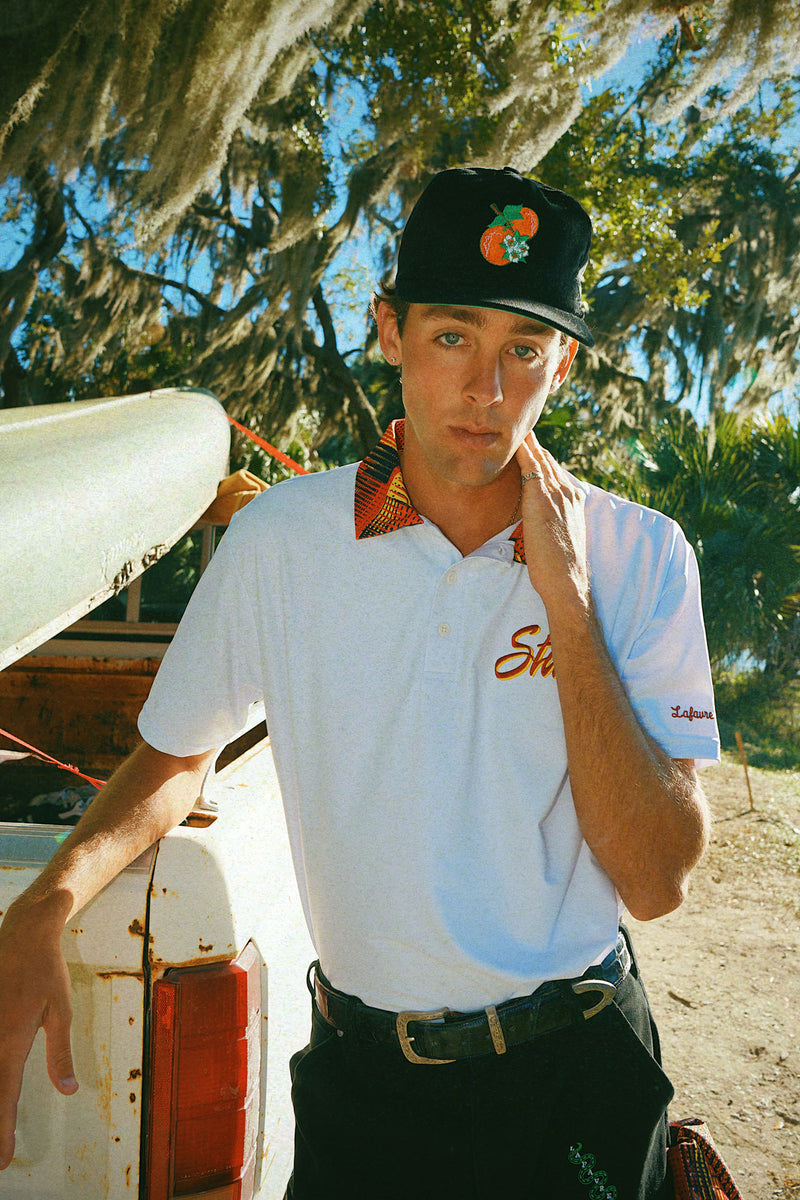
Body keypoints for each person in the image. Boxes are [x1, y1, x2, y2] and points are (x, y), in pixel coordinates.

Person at [0, 166, 719, 1198]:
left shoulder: (640, 554)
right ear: (388, 330)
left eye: (523, 348)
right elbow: (175, 758)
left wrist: (565, 605)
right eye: (451, 338)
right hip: (360, 1085)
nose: (486, 390)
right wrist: (51, 895)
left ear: (561, 362)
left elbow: (654, 880)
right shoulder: (281, 539)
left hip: (573, 1073)